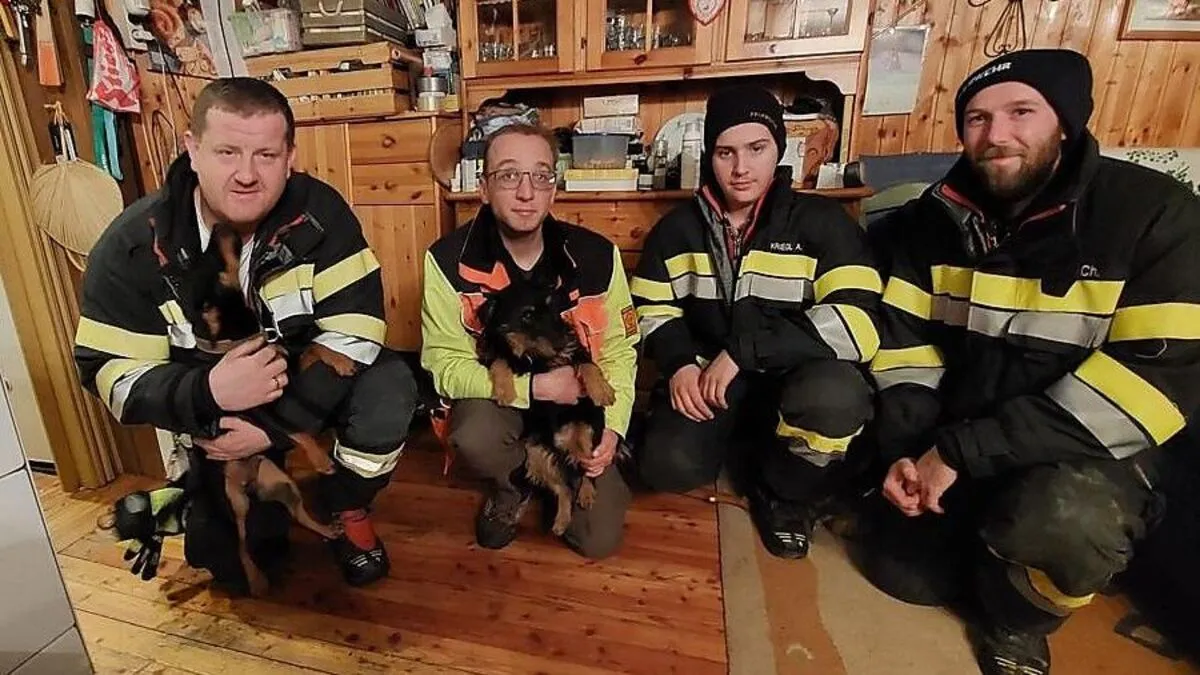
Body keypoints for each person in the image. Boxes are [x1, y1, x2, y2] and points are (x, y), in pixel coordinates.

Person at [861, 49, 1200, 675]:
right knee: (901, 577)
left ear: (1065, 123)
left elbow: (1145, 390)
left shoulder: (1155, 215)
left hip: (1087, 451)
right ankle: (977, 542)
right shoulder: (928, 221)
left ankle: (1020, 621)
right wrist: (907, 451)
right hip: (958, 434)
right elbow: (903, 345)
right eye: (978, 119)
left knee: (1066, 524)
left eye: (1022, 112)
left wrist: (958, 454)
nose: (997, 135)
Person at [74, 78, 417, 588]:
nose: (247, 174)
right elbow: (111, 374)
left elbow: (355, 330)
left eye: (266, 155)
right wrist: (207, 393)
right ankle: (188, 497)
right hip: (214, 411)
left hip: (307, 391)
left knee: (391, 386)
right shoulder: (132, 249)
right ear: (193, 150)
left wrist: (274, 429)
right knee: (237, 573)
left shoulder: (322, 215)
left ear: (290, 157)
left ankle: (347, 505)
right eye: (227, 152)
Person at [630, 85, 881, 559]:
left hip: (798, 380)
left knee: (836, 399)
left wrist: (745, 352)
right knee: (664, 466)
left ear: (778, 150)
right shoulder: (676, 229)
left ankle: (784, 494)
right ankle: (736, 447)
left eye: (756, 149)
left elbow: (858, 324)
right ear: (710, 156)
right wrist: (678, 363)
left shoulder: (824, 223)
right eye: (725, 152)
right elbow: (648, 307)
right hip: (709, 380)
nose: (741, 168)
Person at [420, 123, 639, 558]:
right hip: (502, 407)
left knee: (596, 539)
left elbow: (620, 349)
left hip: (575, 413)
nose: (526, 192)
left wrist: (613, 429)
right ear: (483, 188)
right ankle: (513, 485)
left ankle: (553, 473)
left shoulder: (597, 255)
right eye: (508, 175)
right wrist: (535, 387)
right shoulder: (446, 261)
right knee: (474, 435)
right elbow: (444, 366)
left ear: (553, 190)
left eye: (540, 176)